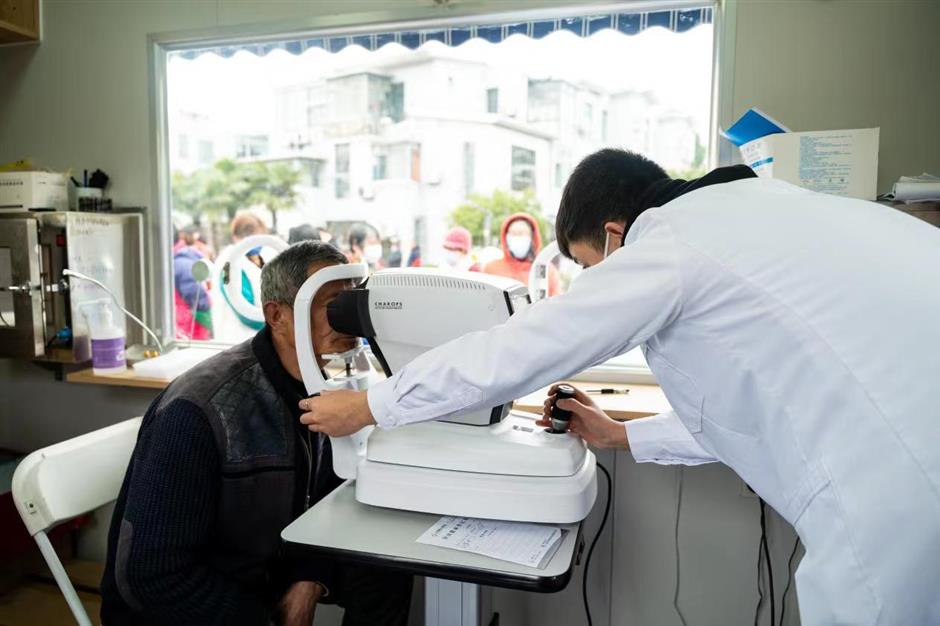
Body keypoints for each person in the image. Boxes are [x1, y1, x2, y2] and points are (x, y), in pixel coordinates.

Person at [298, 148, 940, 626]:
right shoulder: (765, 212)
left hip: (902, 497)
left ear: (613, 233)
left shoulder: (671, 244)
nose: (596, 282)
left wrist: (372, 404)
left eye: (588, 267)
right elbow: (762, 409)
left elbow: (527, 345)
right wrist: (622, 435)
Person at [101, 241, 413, 626]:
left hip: (266, 567)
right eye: (331, 303)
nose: (346, 318)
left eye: (350, 303)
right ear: (278, 315)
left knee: (384, 567)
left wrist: (310, 578)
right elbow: (153, 574)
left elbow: (326, 505)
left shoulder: (323, 388)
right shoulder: (199, 410)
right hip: (200, 600)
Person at [482, 213, 559, 294]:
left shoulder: (547, 271)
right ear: (506, 238)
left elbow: (556, 302)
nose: (517, 238)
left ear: (532, 238)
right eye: (514, 234)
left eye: (521, 233)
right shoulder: (491, 268)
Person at [172, 225, 212, 340]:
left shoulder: (180, 261)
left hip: (187, 328)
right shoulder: (184, 262)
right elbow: (196, 296)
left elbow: (195, 295)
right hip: (190, 328)